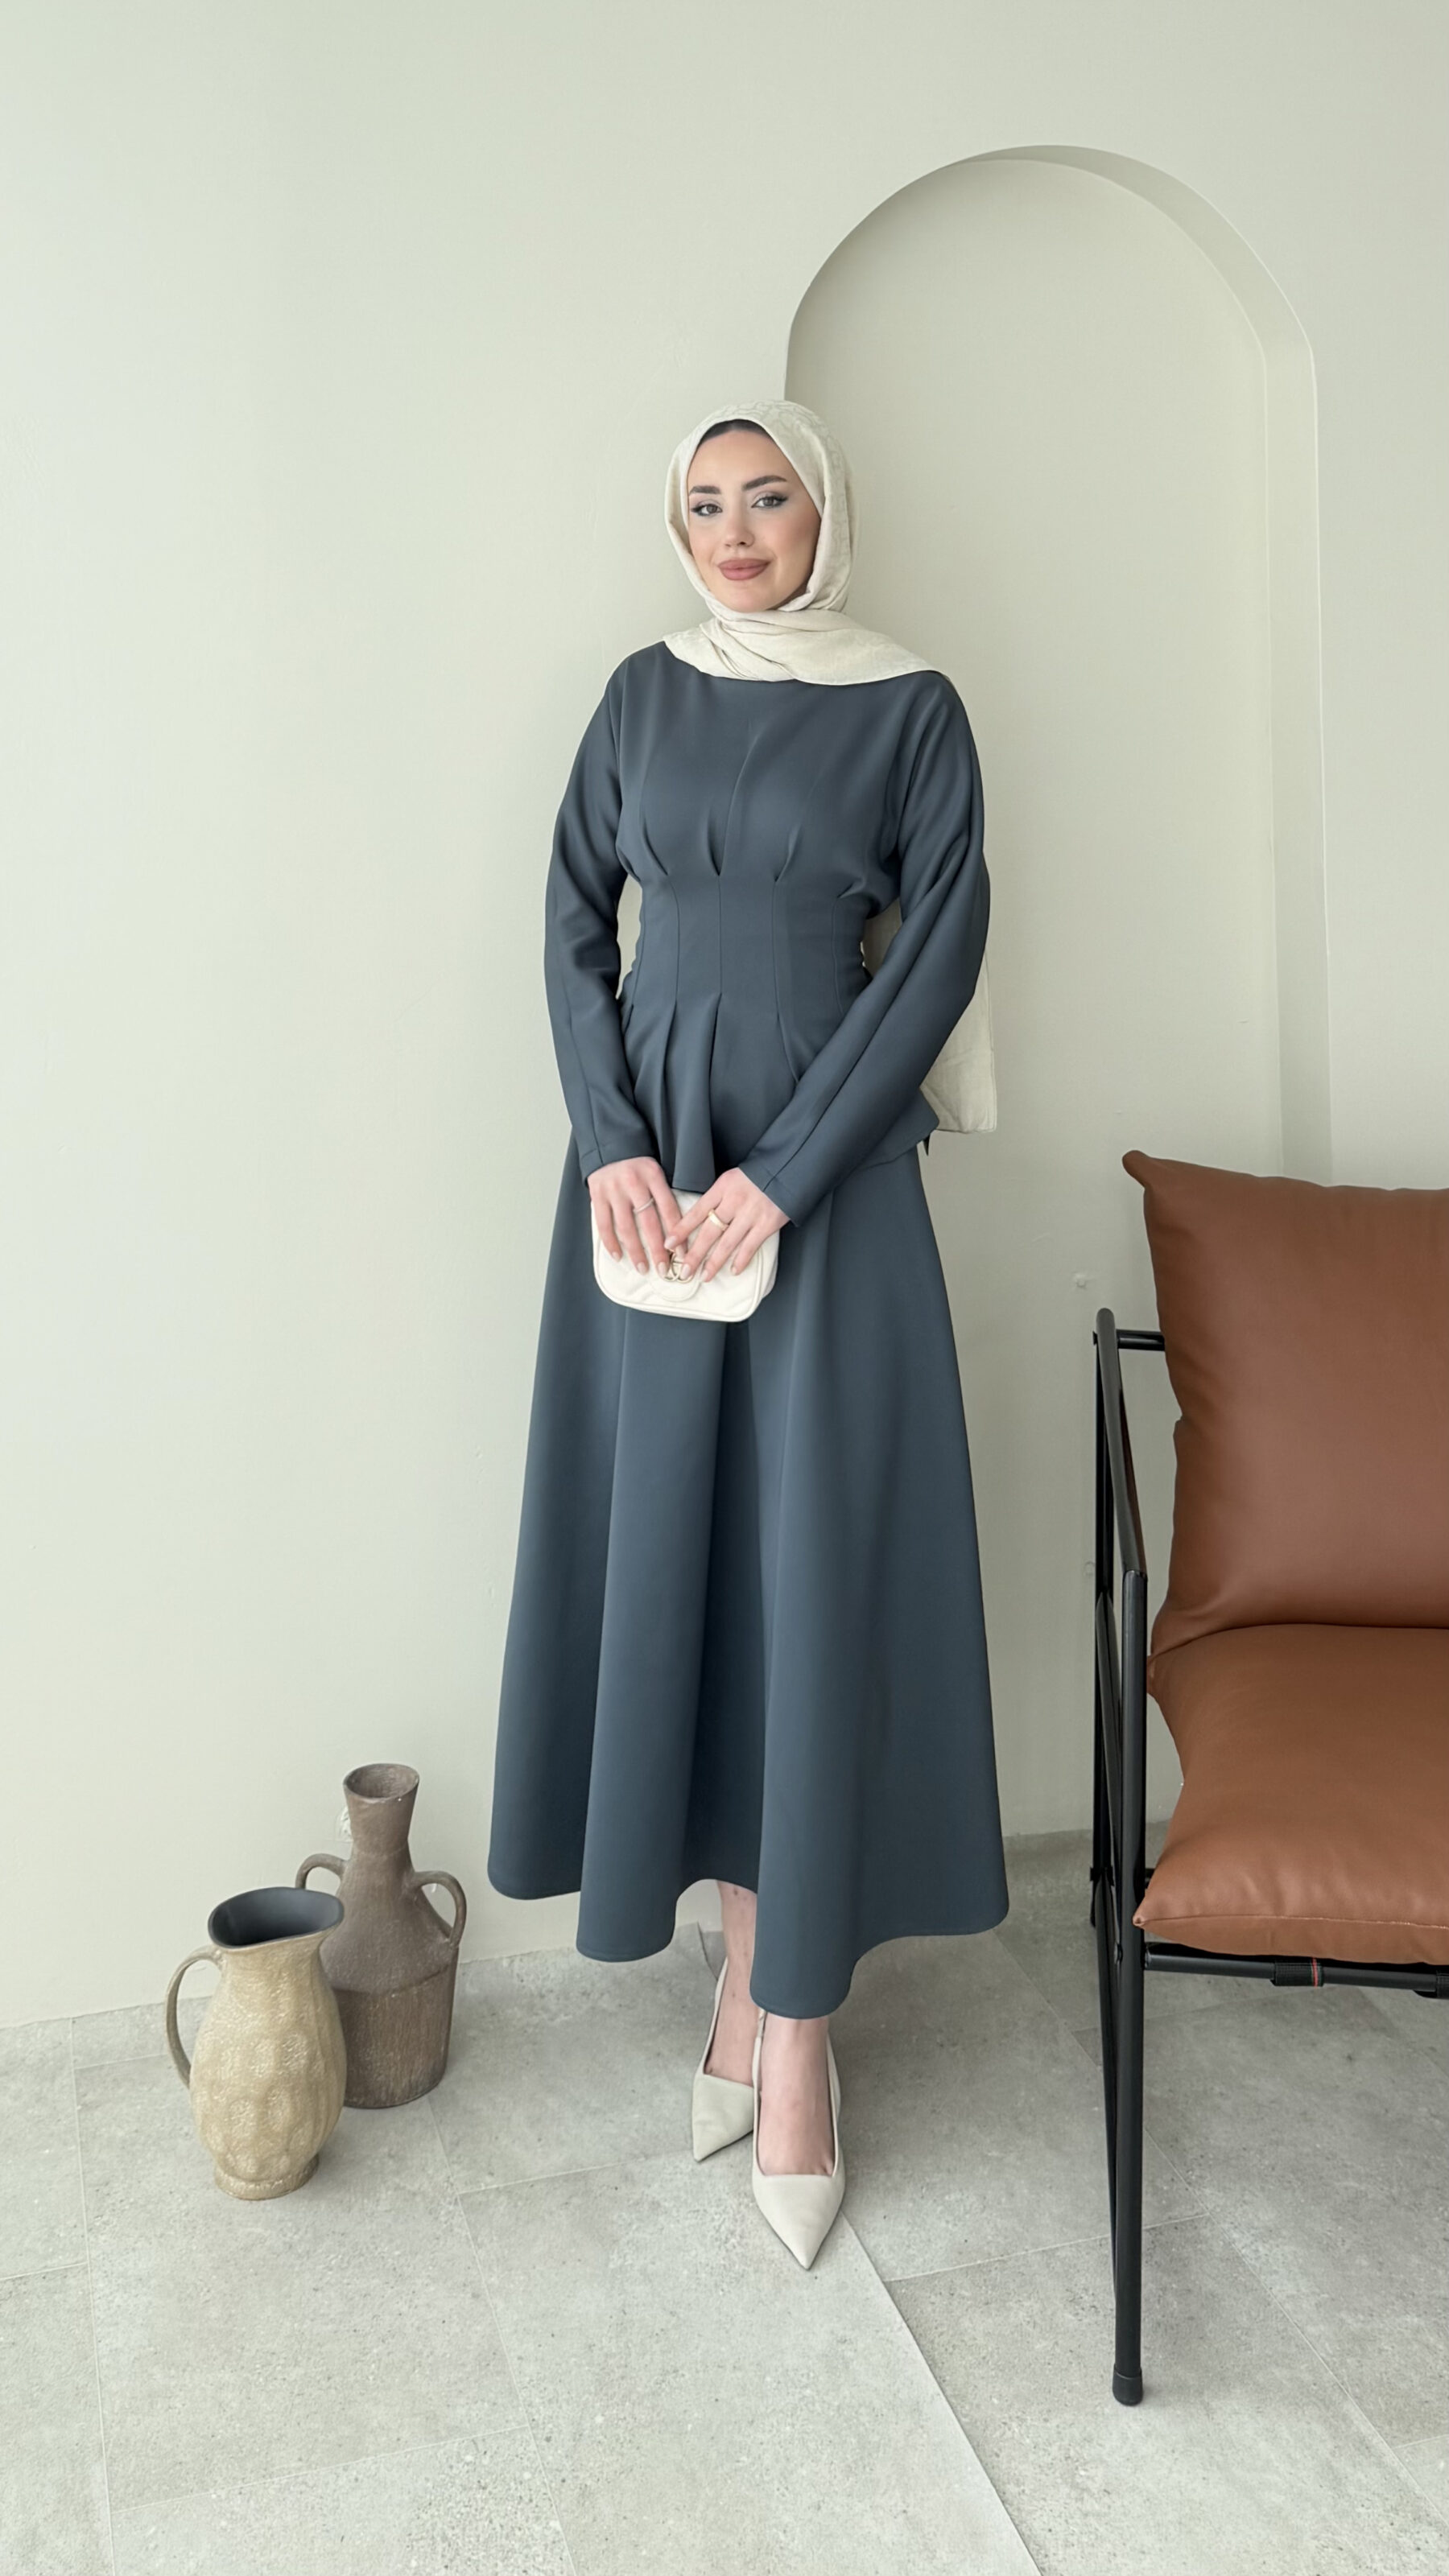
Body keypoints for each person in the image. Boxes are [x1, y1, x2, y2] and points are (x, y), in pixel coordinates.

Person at [487, 398, 1008, 2268]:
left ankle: (796, 2035)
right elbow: (572, 916)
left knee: (807, 1578)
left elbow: (935, 955)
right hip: (645, 1193)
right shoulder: (642, 695)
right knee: (683, 1568)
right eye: (703, 503)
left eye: (765, 496)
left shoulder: (912, 706)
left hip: (826, 1186)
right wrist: (617, 1145)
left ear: (823, 511)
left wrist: (778, 1180)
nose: (734, 529)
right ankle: (735, 1975)